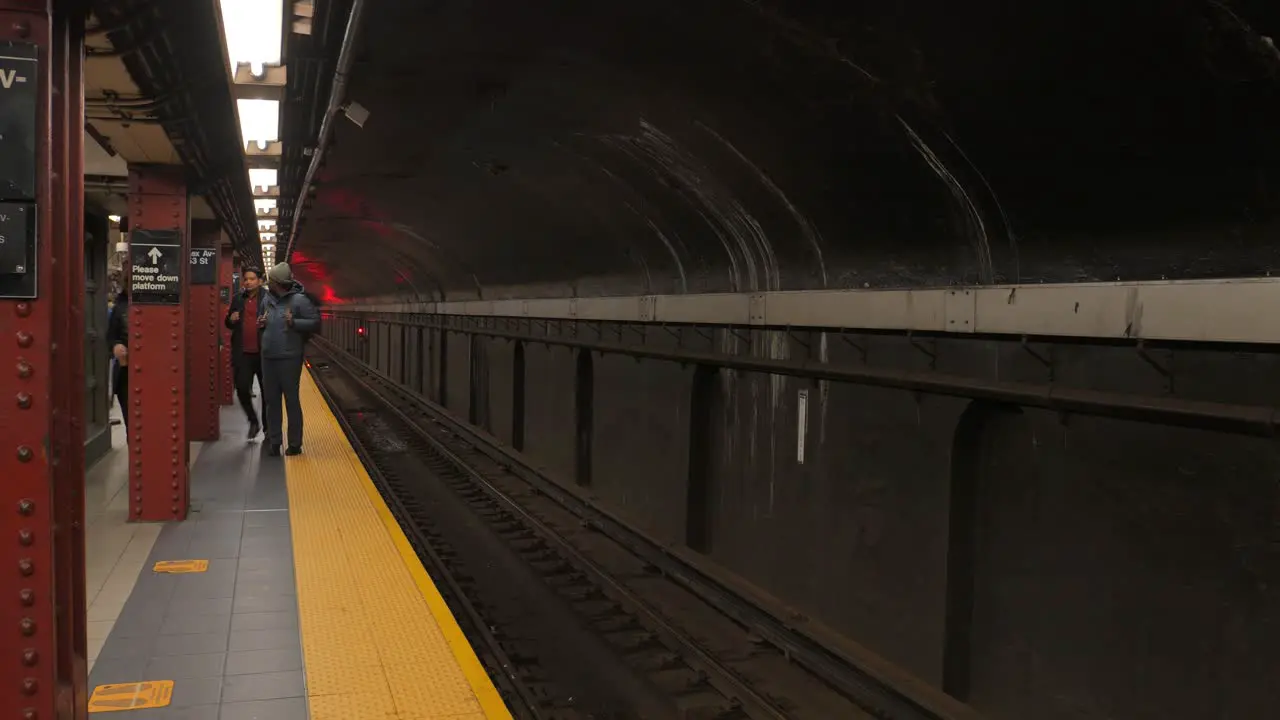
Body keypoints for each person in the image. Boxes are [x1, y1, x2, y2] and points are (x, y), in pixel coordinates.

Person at [259, 262, 319, 456]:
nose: (269, 283)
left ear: (279, 282)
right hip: (268, 356)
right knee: (271, 401)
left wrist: (294, 322)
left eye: (272, 280)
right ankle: (274, 441)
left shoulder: (300, 300)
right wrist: (261, 323)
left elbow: (314, 322)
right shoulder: (266, 299)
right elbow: (263, 320)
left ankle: (294, 443)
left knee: (291, 400)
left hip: (289, 357)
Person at [225, 266, 268, 439]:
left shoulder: (268, 298)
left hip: (263, 353)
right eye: (246, 279)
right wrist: (230, 319)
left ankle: (268, 427)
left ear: (260, 280)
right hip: (243, 353)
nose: (248, 282)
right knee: (242, 388)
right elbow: (228, 323)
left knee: (267, 393)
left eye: (252, 279)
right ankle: (253, 420)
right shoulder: (237, 299)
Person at [106, 288, 130, 436]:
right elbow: (111, 336)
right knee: (131, 421)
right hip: (125, 372)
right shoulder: (120, 307)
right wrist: (116, 345)